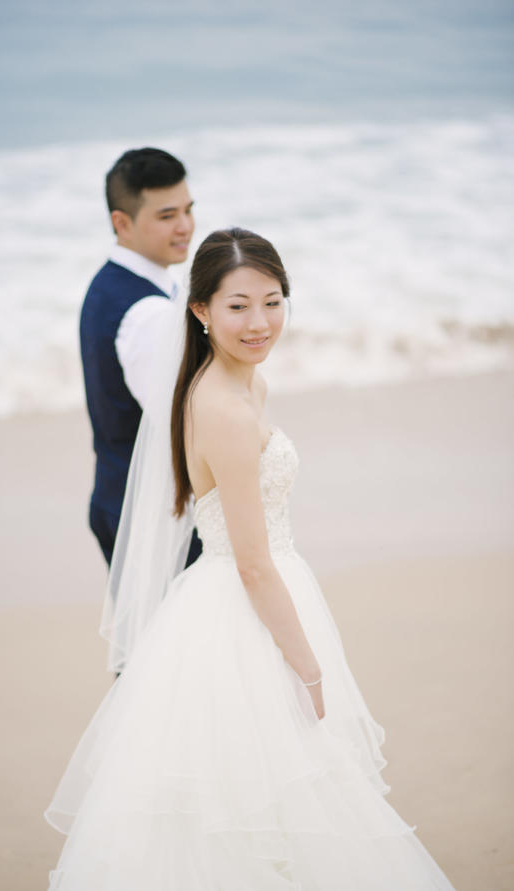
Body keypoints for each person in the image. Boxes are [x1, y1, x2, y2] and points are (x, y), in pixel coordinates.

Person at [46, 229, 456, 888]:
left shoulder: (240, 384)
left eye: (272, 301)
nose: (259, 321)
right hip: (245, 608)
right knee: (262, 793)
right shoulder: (223, 408)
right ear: (200, 310)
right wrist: (308, 664)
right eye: (237, 305)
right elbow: (250, 561)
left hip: (252, 593)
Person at [79, 146, 200, 566]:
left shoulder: (111, 284)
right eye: (167, 216)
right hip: (155, 516)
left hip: (117, 496)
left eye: (188, 209)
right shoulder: (146, 312)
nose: (185, 226)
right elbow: (186, 425)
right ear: (122, 222)